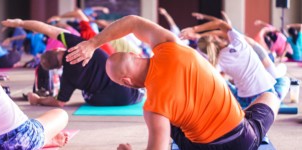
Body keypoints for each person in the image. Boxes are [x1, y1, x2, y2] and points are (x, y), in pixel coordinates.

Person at [64, 15, 280, 150]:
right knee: (270, 96)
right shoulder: (170, 45)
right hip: (244, 139)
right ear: (135, 54)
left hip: (202, 147)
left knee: (168, 123)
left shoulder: (153, 109)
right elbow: (133, 22)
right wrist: (92, 44)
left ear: (126, 81)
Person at [2, 19, 144, 107]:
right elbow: (47, 28)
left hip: (111, 100)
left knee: (86, 94)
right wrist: (20, 23)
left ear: (57, 68)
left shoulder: (67, 79)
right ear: (58, 48)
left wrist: (38, 100)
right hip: (134, 92)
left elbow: (59, 102)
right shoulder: (76, 44)